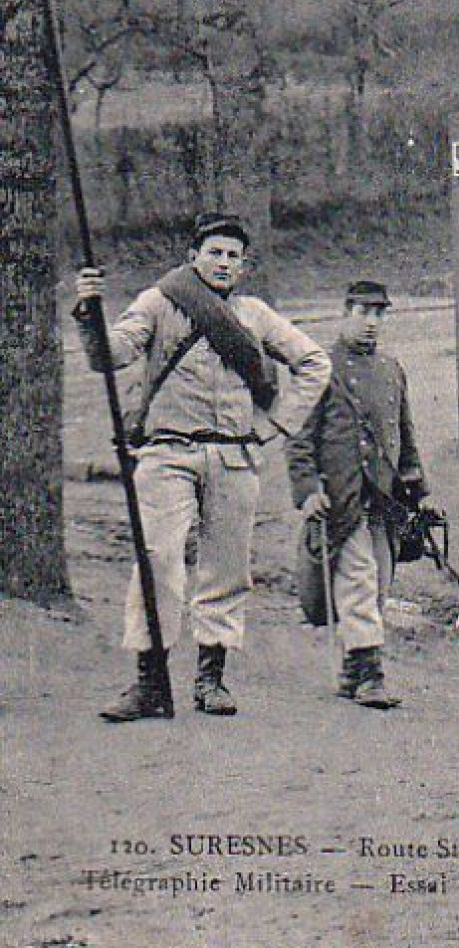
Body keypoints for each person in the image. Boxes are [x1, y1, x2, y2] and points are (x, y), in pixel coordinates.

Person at [73, 212, 332, 721]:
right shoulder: (158, 302)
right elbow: (109, 355)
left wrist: (275, 426)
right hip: (167, 452)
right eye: (214, 252)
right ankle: (150, 683)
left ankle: (211, 680)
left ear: (244, 267)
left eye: (234, 256)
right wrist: (89, 310)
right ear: (192, 258)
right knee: (159, 559)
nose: (224, 262)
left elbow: (314, 363)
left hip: (234, 454)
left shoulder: (255, 316)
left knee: (228, 566)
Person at [286, 281, 427, 710]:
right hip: (341, 499)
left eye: (379, 314)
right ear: (344, 313)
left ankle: (351, 668)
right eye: (363, 312)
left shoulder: (391, 369)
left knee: (378, 585)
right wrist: (308, 491)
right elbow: (298, 439)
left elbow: (405, 435)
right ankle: (371, 675)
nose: (371, 323)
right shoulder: (320, 369)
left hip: (383, 502)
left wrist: (418, 491)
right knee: (360, 581)